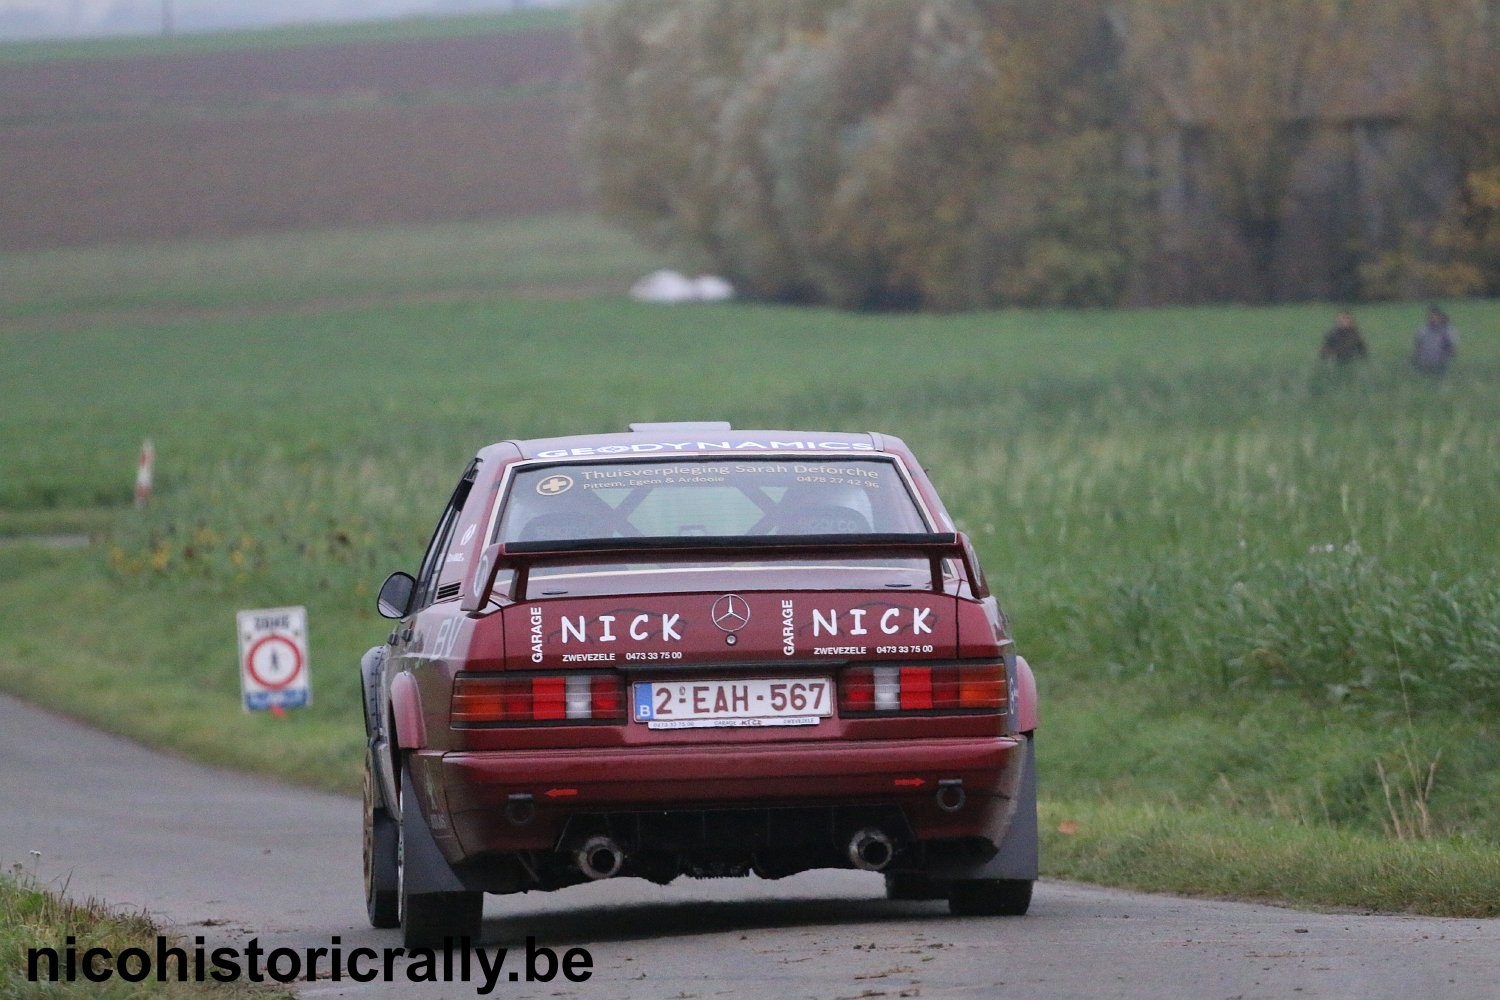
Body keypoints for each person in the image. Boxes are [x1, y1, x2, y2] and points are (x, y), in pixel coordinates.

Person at [1411, 305, 1456, 375]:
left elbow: (1451, 349)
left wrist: (1443, 360)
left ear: (1440, 317)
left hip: (1440, 366)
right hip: (1423, 365)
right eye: (1430, 317)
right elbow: (1417, 348)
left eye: (1435, 317)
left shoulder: (1447, 331)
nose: (1433, 319)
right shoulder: (1422, 331)